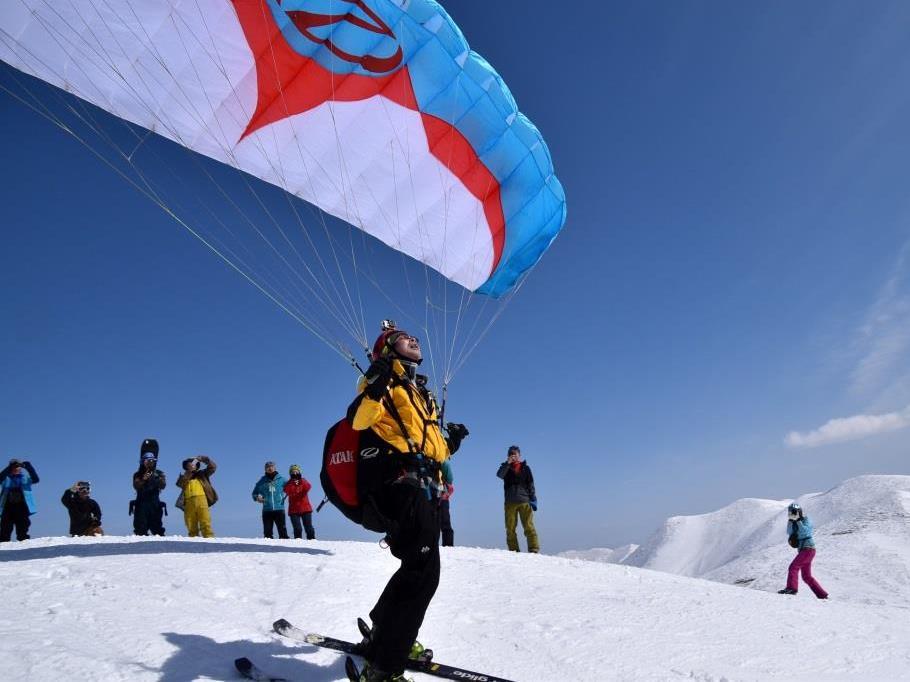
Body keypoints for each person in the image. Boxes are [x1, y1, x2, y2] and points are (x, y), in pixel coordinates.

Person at [347, 322, 468, 682]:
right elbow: (359, 421)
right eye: (402, 338)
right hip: (398, 482)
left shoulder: (419, 392)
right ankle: (384, 667)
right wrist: (380, 378)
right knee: (423, 572)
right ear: (387, 350)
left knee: (418, 567)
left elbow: (429, 443)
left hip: (423, 486)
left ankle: (386, 632)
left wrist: (452, 445)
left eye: (414, 336)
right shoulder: (380, 381)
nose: (413, 338)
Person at [778, 502, 828, 599]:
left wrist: (799, 521)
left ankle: (791, 588)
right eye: (790, 512)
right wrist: (791, 521)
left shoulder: (806, 520)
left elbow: (805, 532)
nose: (792, 513)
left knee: (793, 567)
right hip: (803, 550)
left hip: (808, 548)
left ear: (799, 511)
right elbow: (789, 532)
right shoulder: (793, 522)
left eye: (794, 512)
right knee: (806, 576)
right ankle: (822, 595)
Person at [496, 445, 539, 553]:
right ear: (508, 456)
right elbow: (499, 475)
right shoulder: (505, 468)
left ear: (519, 455)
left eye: (515, 453)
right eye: (511, 454)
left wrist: (533, 499)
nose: (513, 455)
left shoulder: (526, 468)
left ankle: (534, 548)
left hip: (525, 501)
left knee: (529, 526)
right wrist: (507, 463)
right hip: (510, 502)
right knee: (510, 528)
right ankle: (513, 550)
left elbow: (531, 485)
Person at [176, 456, 217, 538]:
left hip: (202, 500)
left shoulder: (203, 474)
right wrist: (188, 473)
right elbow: (179, 484)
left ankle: (209, 538)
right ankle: (193, 540)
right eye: (189, 464)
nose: (191, 465)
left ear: (197, 466)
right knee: (190, 523)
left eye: (193, 464)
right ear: (186, 466)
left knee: (205, 521)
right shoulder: (184, 476)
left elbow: (213, 467)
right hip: (188, 502)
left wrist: (206, 460)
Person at [0, 458, 39, 542]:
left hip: (22, 504)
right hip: (8, 504)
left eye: (17, 467)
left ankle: (23, 540)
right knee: (5, 525)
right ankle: (3, 542)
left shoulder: (25, 478)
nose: (16, 468)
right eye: (14, 467)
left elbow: (36, 479)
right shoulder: (6, 478)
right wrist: (9, 467)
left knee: (23, 523)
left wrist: (28, 466)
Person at [132, 441, 166, 536]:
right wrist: (143, 479)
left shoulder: (159, 473)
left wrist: (158, 478)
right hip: (141, 503)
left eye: (152, 461)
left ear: (154, 461)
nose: (149, 463)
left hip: (154, 504)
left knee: (157, 529)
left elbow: (163, 486)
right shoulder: (138, 474)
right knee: (140, 530)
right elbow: (136, 486)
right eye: (147, 461)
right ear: (143, 462)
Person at [252, 461, 289, 539]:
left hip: (279, 508)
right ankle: (268, 550)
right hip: (267, 510)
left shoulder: (282, 479)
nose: (269, 468)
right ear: (265, 469)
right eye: (267, 467)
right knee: (267, 534)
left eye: (271, 466)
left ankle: (285, 550)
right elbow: (254, 493)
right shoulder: (261, 481)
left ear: (275, 468)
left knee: (283, 533)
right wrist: (257, 498)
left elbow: (291, 488)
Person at [283, 464, 315, 540]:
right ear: (290, 474)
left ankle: (312, 541)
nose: (294, 473)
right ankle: (298, 542)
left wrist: (300, 480)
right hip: (293, 510)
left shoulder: (303, 481)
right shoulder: (288, 483)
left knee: (308, 527)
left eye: (296, 471)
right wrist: (292, 481)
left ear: (299, 472)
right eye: (292, 472)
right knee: (297, 528)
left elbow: (308, 487)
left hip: (305, 509)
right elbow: (286, 490)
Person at [439, 459, 455, 547]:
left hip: (433, 495)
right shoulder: (444, 462)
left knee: (434, 522)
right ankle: (448, 545)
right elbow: (450, 479)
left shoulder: (443, 462)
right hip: (443, 495)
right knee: (445, 522)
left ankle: (431, 545)